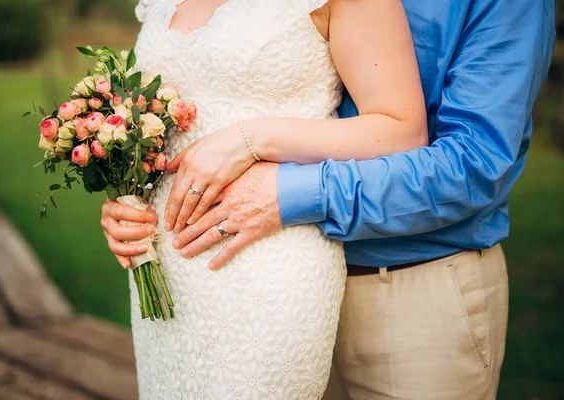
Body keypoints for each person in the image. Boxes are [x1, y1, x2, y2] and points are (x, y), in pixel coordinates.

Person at [101, 0, 556, 399]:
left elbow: (474, 165)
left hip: (411, 283)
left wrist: (287, 188)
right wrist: (136, 200)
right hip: (235, 280)